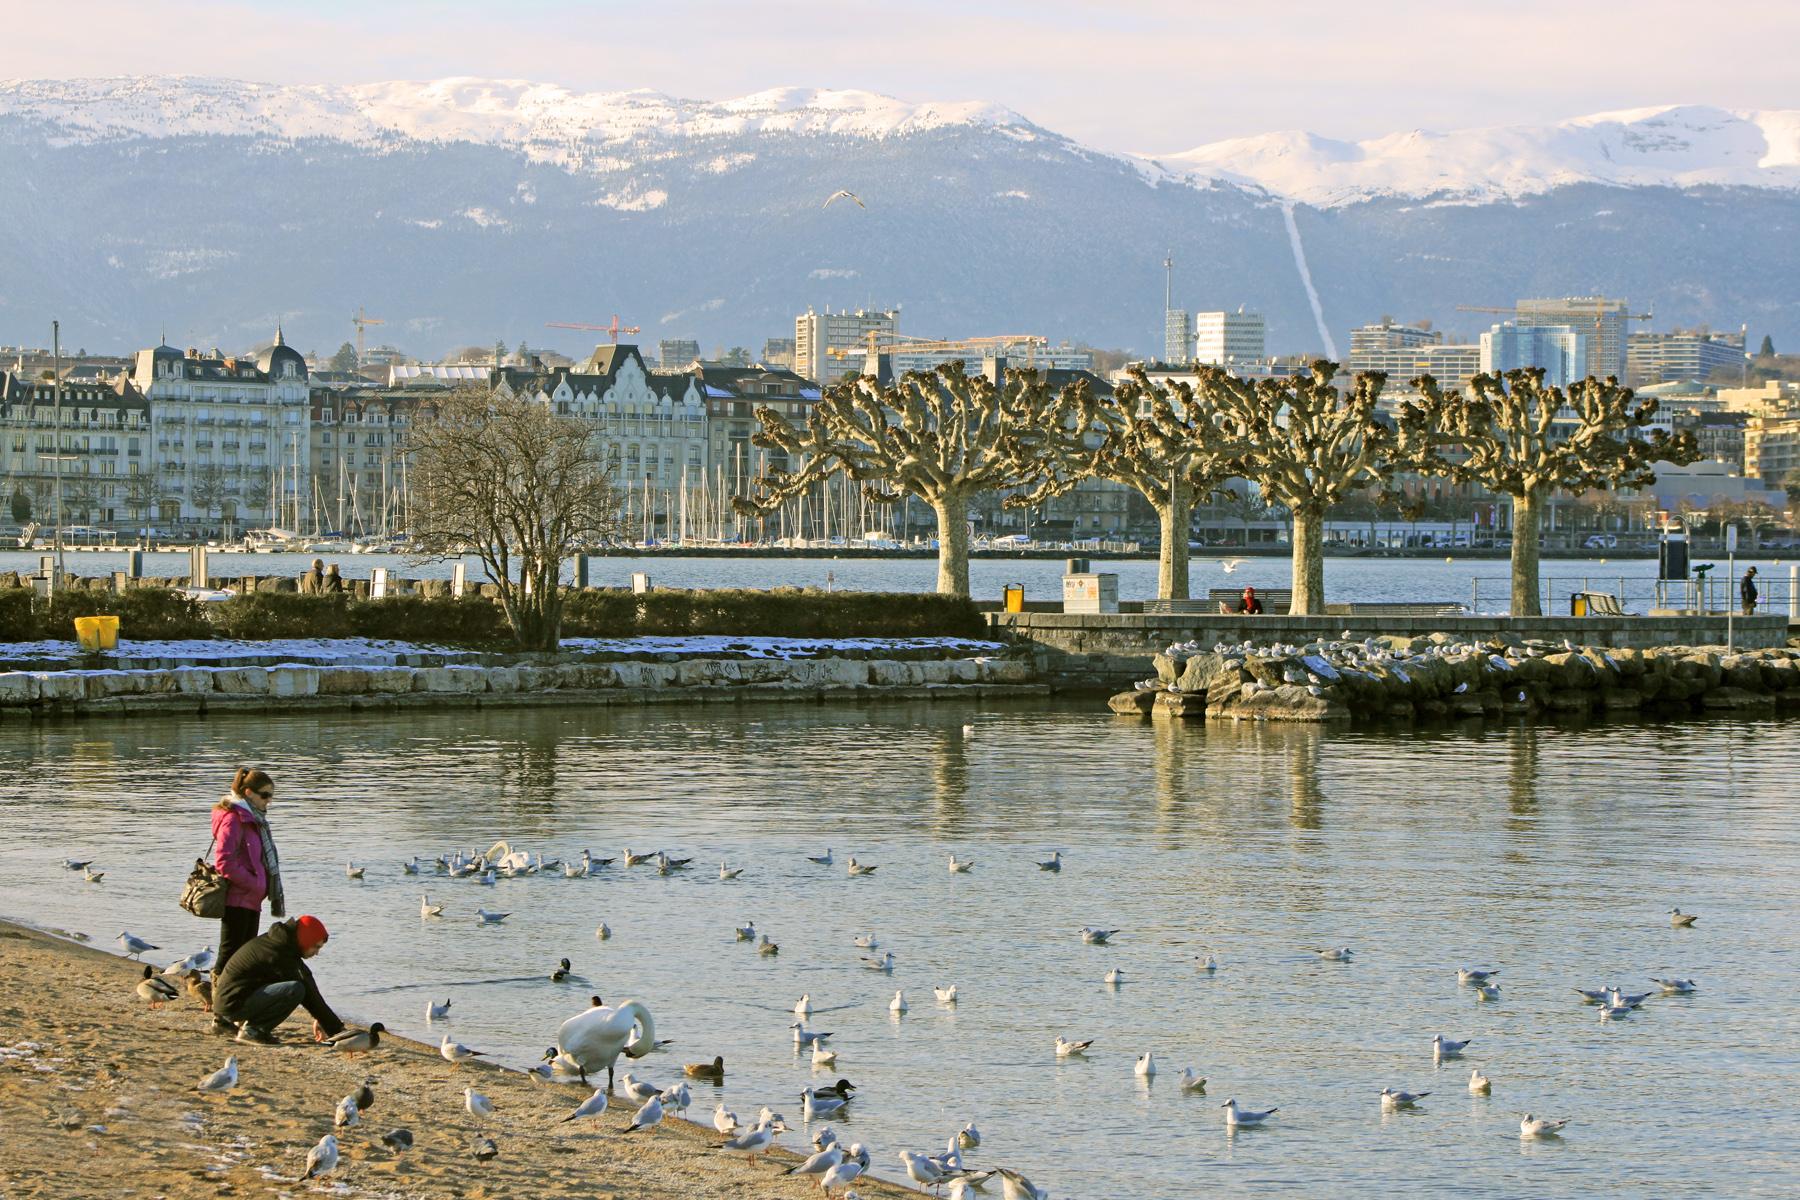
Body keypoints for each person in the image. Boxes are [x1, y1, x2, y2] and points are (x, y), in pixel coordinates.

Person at [209, 767, 285, 1035]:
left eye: (271, 797)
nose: (269, 802)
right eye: (265, 796)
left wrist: (260, 888)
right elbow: (224, 863)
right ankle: (221, 1015)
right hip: (237, 899)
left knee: (241, 958)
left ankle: (232, 1010)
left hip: (251, 900)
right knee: (229, 957)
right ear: (248, 793)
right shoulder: (234, 818)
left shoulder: (253, 819)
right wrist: (255, 884)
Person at [211, 915, 345, 1045]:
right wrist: (337, 1031)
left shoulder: (279, 943)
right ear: (306, 940)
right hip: (232, 1005)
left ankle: (224, 1022)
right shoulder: (279, 954)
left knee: (295, 986)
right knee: (295, 989)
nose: (317, 953)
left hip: (225, 1003)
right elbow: (308, 994)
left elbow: (308, 982)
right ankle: (253, 1031)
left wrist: (322, 1019)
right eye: (316, 947)